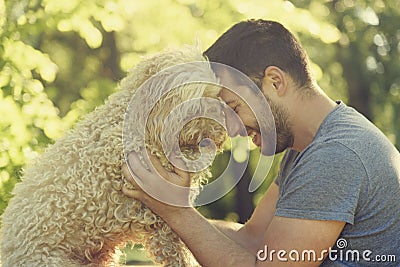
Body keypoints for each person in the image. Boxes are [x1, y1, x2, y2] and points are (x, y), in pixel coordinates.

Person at [121, 19, 400, 266]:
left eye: (234, 106)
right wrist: (159, 214)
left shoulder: (336, 156)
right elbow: (252, 239)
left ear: (275, 82)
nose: (231, 129)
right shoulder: (306, 150)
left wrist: (177, 211)